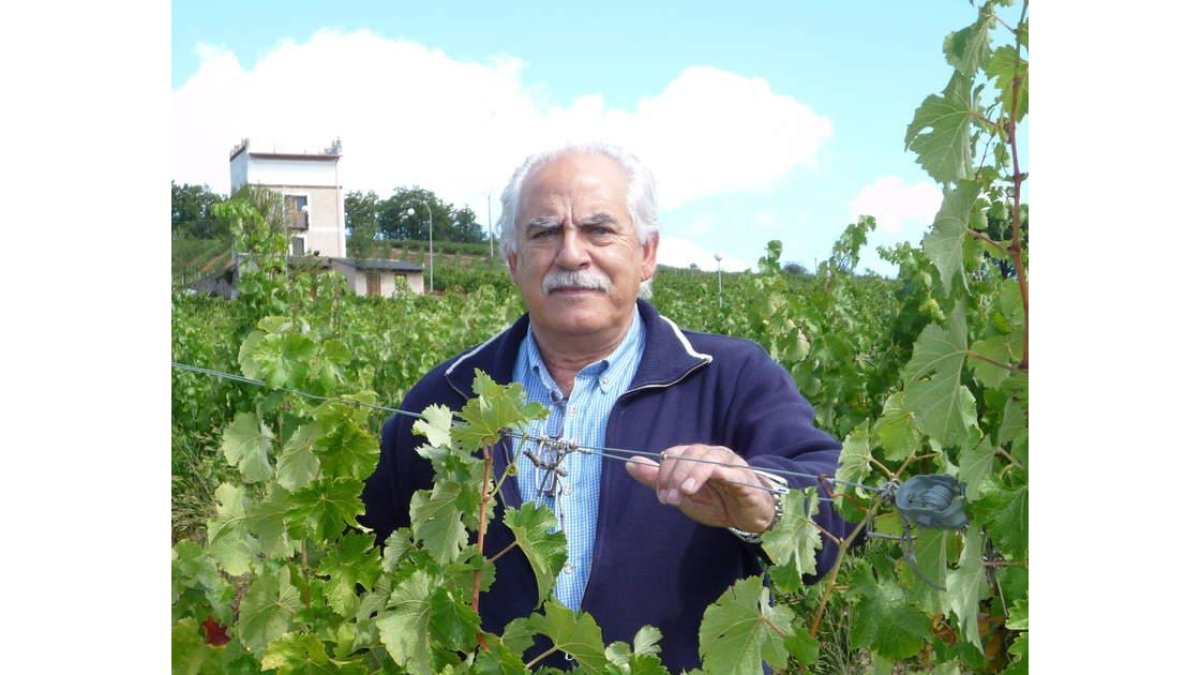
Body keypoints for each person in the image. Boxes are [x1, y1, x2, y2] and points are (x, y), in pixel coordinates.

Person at [361, 142, 846, 672]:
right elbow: (374, 559)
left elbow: (836, 503)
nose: (571, 255)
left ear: (647, 254)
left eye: (599, 230)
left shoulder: (729, 377)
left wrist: (764, 503)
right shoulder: (444, 397)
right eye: (545, 232)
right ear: (513, 260)